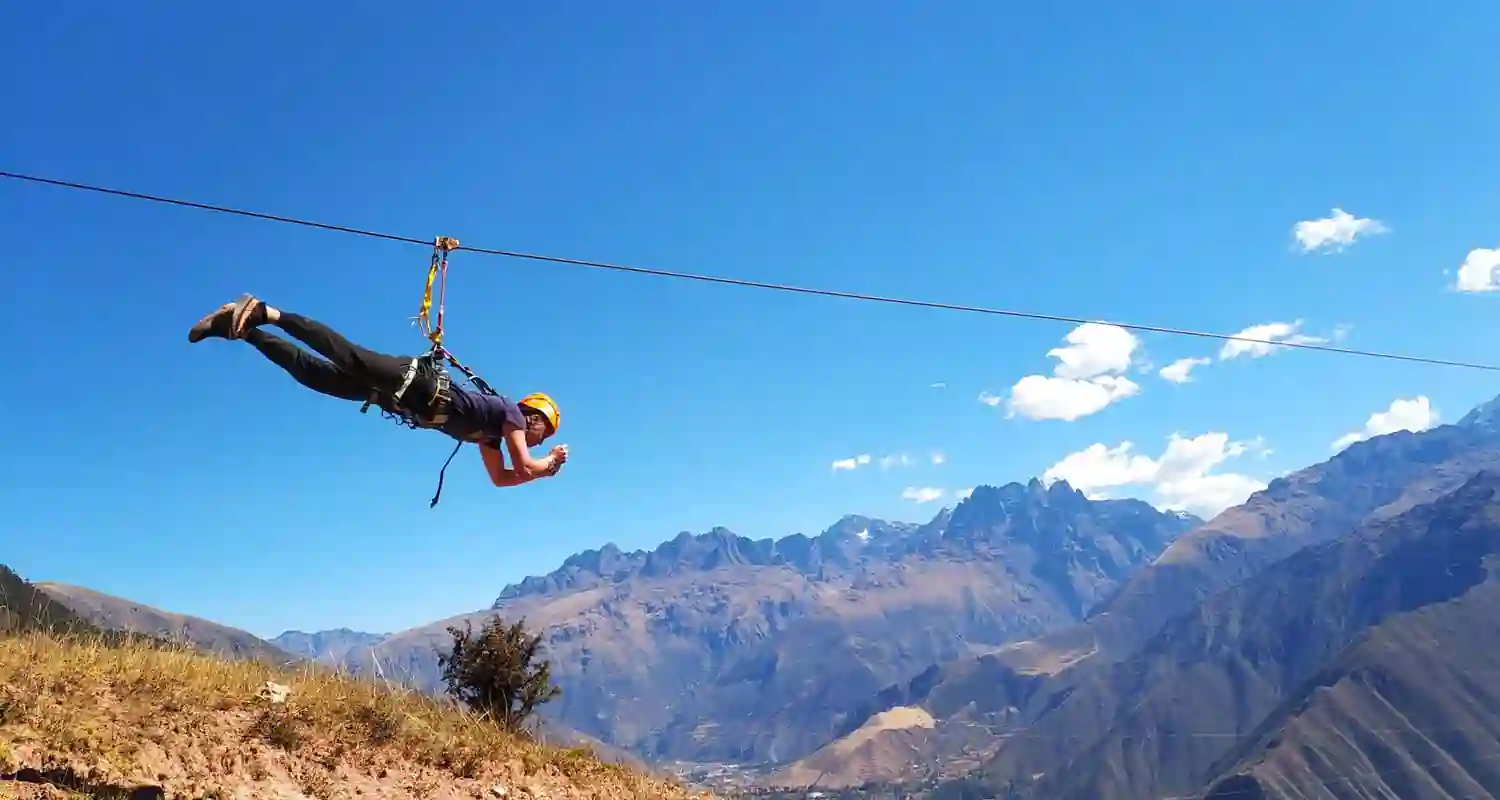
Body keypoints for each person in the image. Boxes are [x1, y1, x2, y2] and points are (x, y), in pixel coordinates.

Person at [188, 293, 567, 487]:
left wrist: (540, 471)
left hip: (392, 396)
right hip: (412, 381)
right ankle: (265, 312)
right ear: (533, 417)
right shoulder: (510, 414)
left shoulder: (489, 439)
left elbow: (502, 478)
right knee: (348, 355)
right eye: (543, 433)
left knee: (313, 375)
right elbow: (523, 466)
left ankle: (241, 330)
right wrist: (547, 464)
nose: (538, 440)